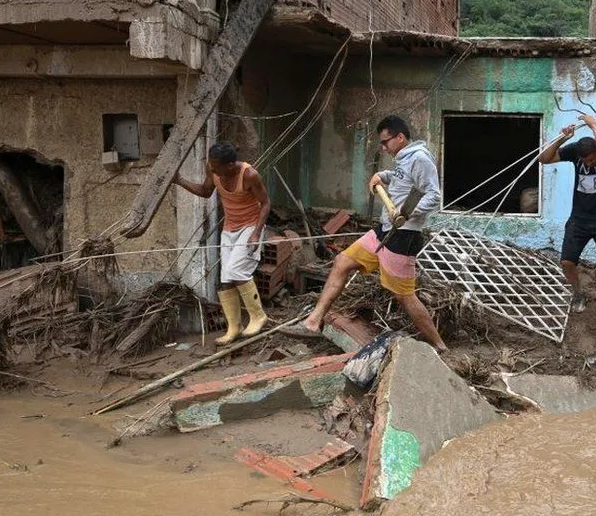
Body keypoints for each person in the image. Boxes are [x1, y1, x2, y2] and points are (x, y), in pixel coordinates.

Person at [283, 115, 448, 353]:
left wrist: (408, 214)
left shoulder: (421, 159)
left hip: (403, 236)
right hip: (383, 230)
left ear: (400, 137)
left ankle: (439, 345)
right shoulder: (404, 157)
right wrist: (383, 176)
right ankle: (312, 322)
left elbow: (433, 195)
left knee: (405, 296)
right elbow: (402, 180)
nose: (383, 147)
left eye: (386, 142)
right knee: (342, 262)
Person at [172, 141, 271, 346]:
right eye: (211, 165)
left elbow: (265, 203)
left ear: (230, 165)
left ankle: (258, 316)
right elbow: (205, 191)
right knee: (225, 278)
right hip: (230, 228)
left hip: (250, 227)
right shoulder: (214, 169)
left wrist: (256, 233)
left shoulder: (249, 175)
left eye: (216, 166)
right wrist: (180, 180)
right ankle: (234, 327)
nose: (212, 169)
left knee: (236, 270)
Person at [538, 114, 596, 340]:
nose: (588, 163)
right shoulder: (576, 151)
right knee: (566, 262)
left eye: (592, 160)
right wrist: (562, 139)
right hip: (579, 219)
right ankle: (578, 293)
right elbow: (543, 159)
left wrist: (594, 124)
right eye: (585, 161)